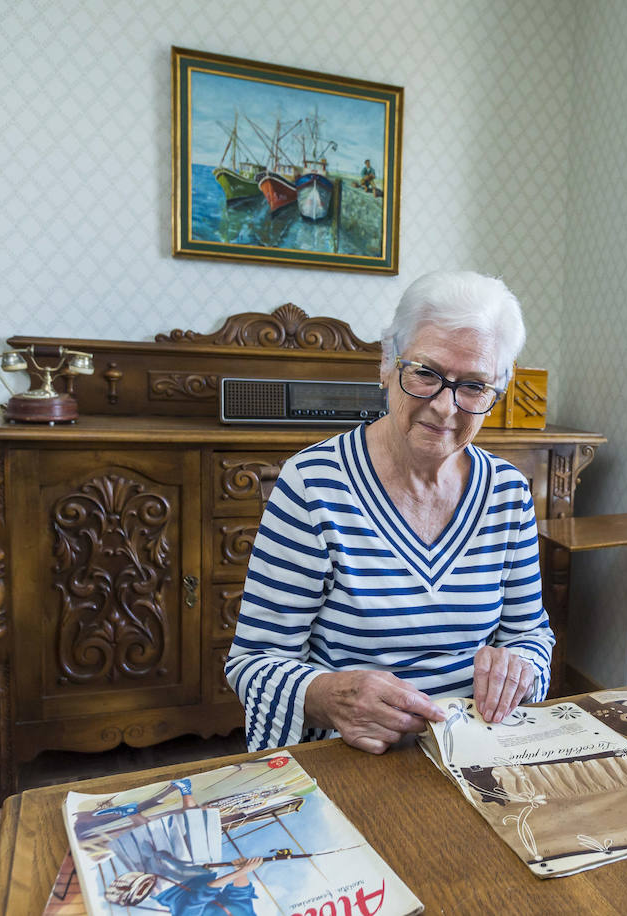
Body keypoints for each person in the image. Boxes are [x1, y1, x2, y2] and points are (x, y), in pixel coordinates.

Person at [225, 271, 555, 754]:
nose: (445, 407)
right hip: (351, 753)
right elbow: (253, 661)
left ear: (500, 387)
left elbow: (531, 636)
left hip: (474, 748)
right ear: (386, 363)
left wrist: (520, 668)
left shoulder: (507, 493)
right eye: (426, 373)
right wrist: (330, 696)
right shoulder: (314, 484)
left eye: (474, 386)